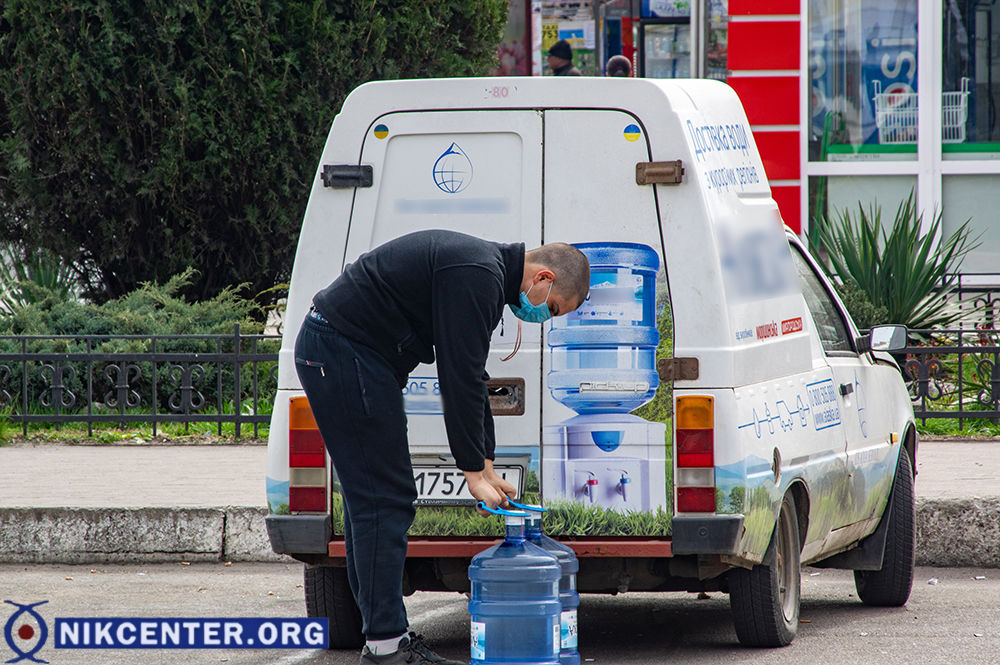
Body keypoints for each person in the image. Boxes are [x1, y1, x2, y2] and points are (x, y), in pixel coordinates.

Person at [295, 229, 590, 665]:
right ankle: (386, 647)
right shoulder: (477, 274)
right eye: (552, 308)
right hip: (342, 351)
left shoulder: (484, 275)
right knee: (385, 499)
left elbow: (473, 375)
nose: (544, 316)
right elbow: (458, 378)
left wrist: (486, 465)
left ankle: (383, 637)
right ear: (543, 277)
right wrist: (472, 471)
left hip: (347, 353)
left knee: (372, 500)